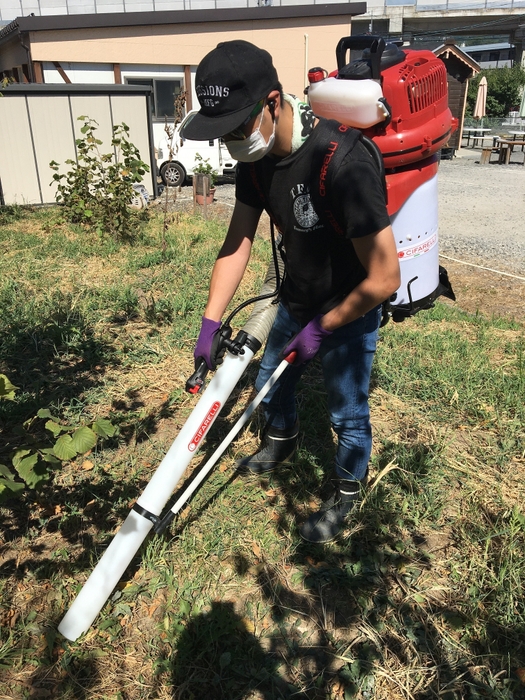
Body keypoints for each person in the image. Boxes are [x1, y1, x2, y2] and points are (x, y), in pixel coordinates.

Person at [182, 40, 400, 543]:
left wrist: (324, 328)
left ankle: (347, 489)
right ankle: (282, 439)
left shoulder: (341, 161)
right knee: (269, 380)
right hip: (298, 296)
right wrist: (210, 323)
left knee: (348, 409)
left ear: (273, 103)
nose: (232, 142)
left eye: (238, 126)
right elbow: (238, 242)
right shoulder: (254, 161)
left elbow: (385, 278)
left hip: (351, 302)